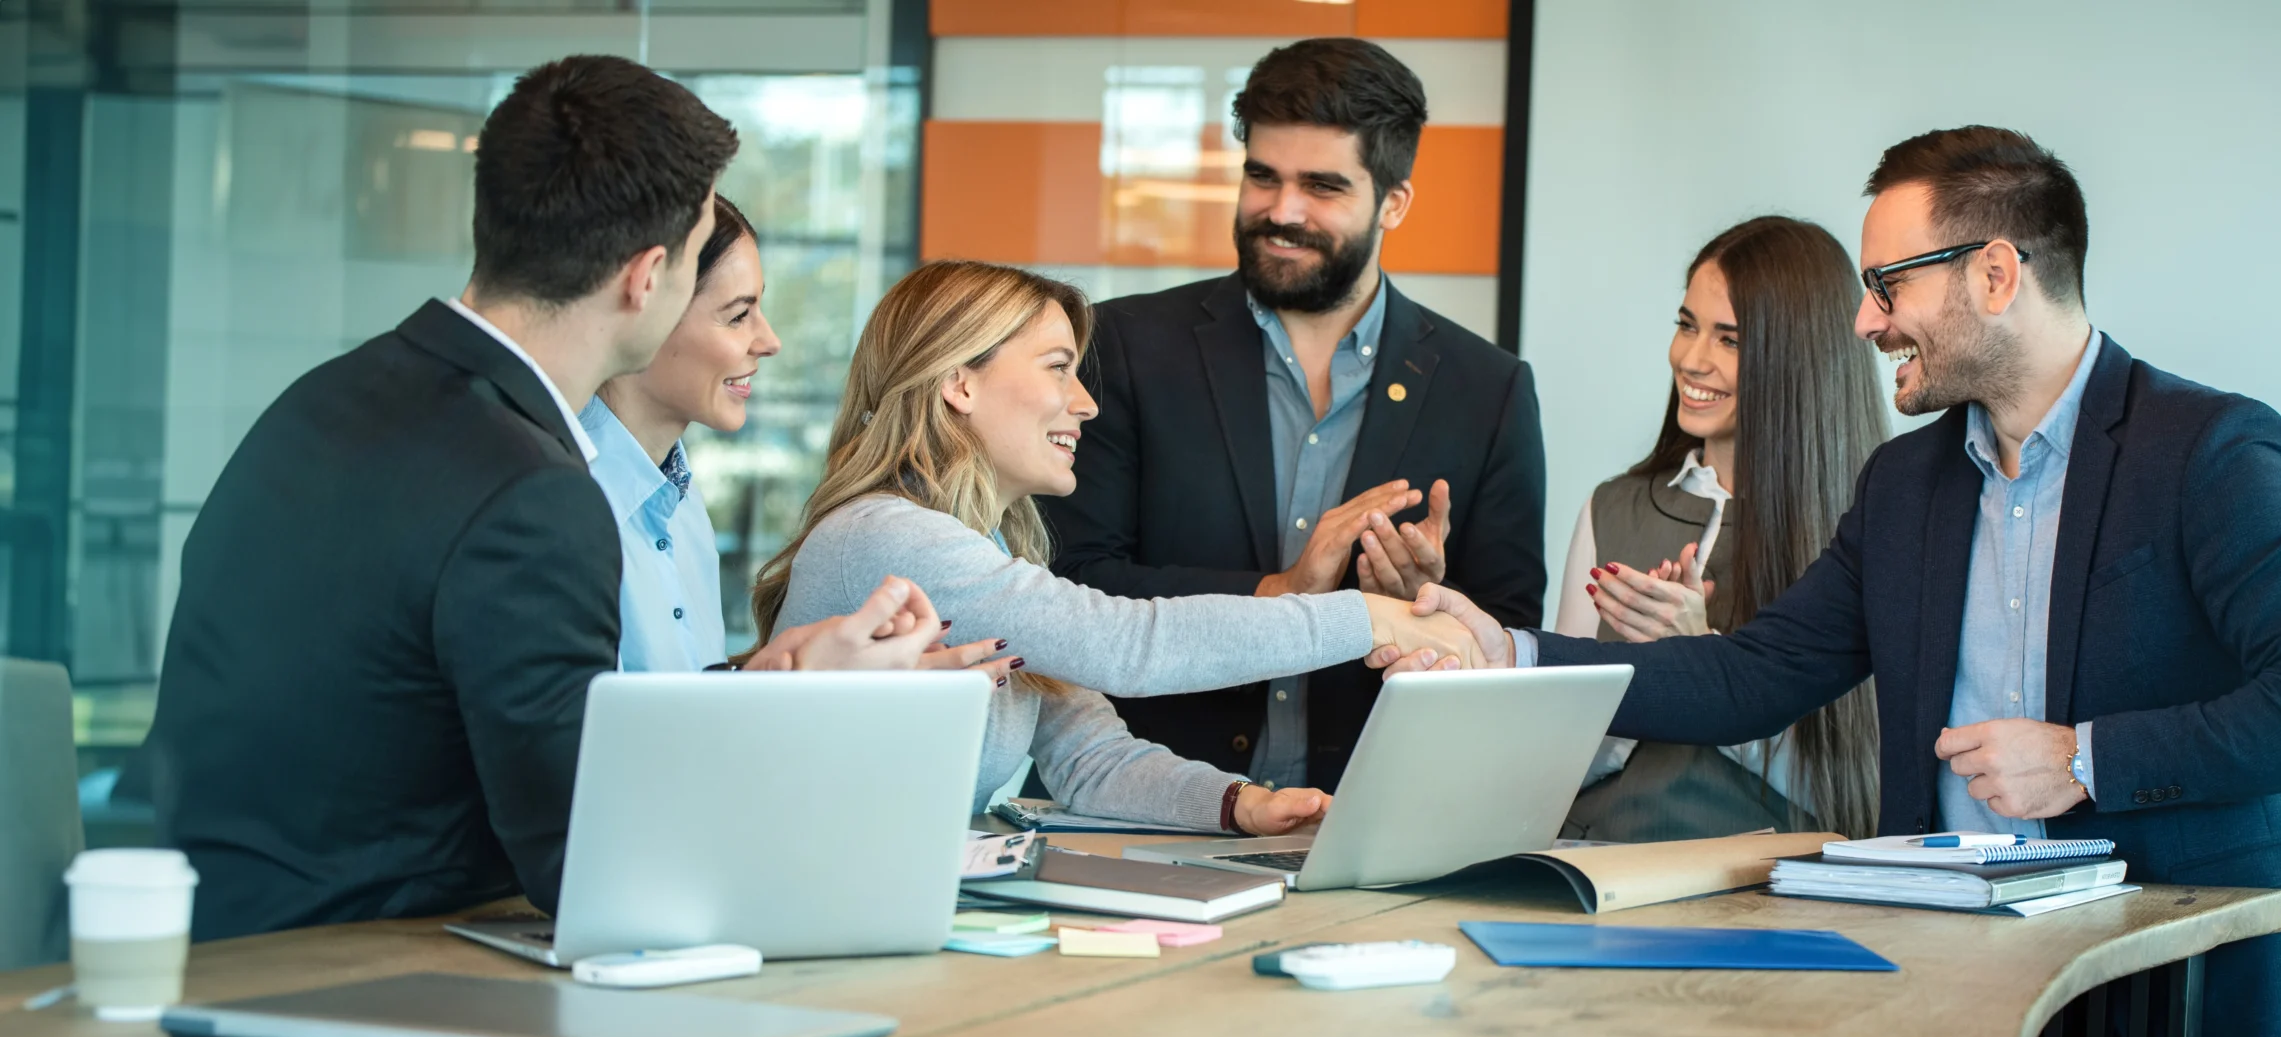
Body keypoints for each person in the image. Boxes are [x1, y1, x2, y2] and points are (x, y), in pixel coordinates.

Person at [1380, 127, 2281, 1037]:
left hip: (2195, 1014)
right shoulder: (1906, 482)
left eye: (1887, 286)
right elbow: (1755, 672)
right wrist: (1513, 654)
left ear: (1995, 274)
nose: (1865, 321)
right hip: (1984, 1012)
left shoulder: (2206, 447)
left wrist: (2083, 756)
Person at [148, 57, 999, 941]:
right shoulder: (530, 493)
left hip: (226, 936)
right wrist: (807, 707)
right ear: (646, 277)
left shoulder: (328, 399)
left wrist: (774, 672)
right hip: (352, 973)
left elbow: (552, 738)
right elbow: (598, 862)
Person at [754, 259, 1481, 835]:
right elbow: (1127, 644)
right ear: (959, 384)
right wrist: (1372, 616)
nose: (1086, 402)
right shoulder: (890, 535)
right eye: (1056, 367)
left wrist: (1235, 803)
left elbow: (1089, 756)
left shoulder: (987, 554)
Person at [1040, 37, 1546, 794]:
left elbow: (1509, 637)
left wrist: (1429, 605)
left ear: (1394, 202)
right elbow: (1073, 588)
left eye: (1322, 186)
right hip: (1142, 807)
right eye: (1262, 177)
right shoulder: (1123, 346)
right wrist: (1280, 593)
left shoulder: (1490, 387)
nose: (1282, 211)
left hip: (1371, 819)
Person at [1555, 217, 1885, 842]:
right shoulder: (1610, 509)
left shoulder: (1868, 530)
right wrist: (1634, 683)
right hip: (1596, 872)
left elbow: (1856, 790)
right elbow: (1555, 760)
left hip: (1772, 896)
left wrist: (1700, 669)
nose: (1691, 359)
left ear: (1799, 358)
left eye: (1729, 339)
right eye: (1687, 326)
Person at [579, 194, 777, 671]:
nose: (769, 341)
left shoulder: (683, 501)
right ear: (646, 303)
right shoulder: (559, 501)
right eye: (737, 315)